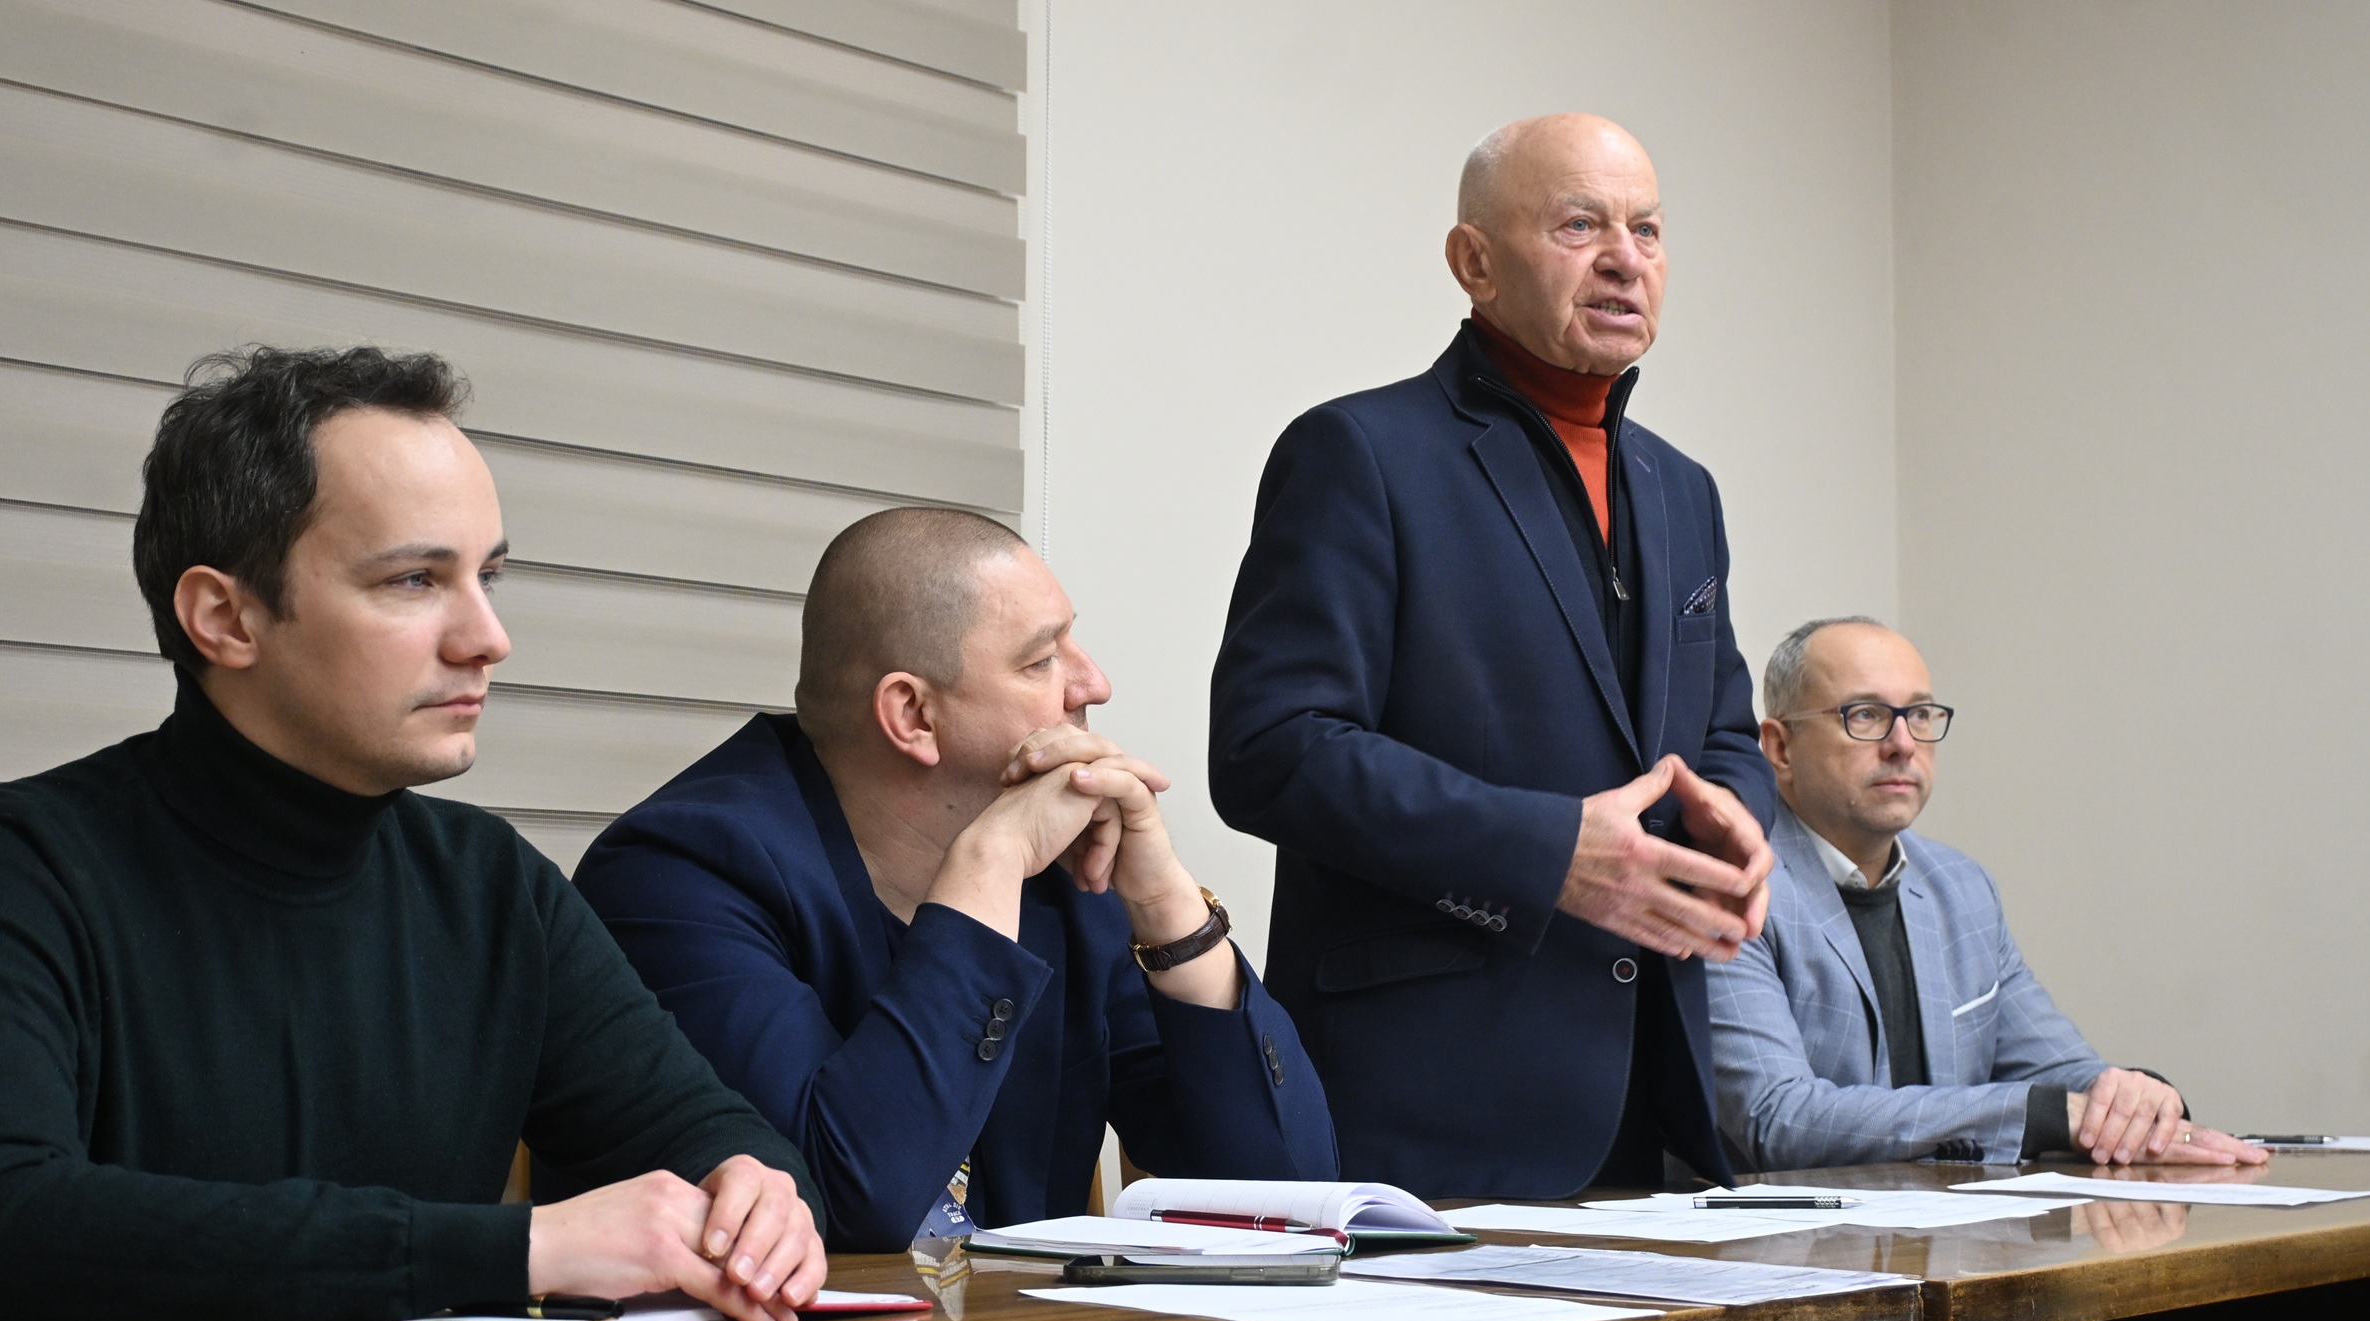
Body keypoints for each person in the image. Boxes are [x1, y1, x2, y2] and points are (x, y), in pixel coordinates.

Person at [0, 346, 827, 1321]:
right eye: (414, 579)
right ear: (225, 617)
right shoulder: (7, 867)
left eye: (489, 577)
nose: (489, 637)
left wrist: (755, 1194)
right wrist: (519, 1250)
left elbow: (708, 1134)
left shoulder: (494, 887)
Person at [1210, 114, 1774, 1197]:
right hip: (1429, 1112)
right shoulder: (1359, 452)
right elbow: (1270, 749)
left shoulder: (1682, 487)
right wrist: (1544, 850)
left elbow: (1721, 733)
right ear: (1474, 263)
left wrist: (1738, 820)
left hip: (1655, 1102)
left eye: (1648, 230)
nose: (1625, 259)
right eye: (1580, 225)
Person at [573, 508, 1338, 1252]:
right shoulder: (676, 876)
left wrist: (1168, 906)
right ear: (912, 714)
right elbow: (849, 1202)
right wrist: (987, 865)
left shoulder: (1068, 879)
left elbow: (1289, 1196)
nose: (1094, 683)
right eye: (1041, 660)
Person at [1706, 616, 2265, 1171]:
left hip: (1956, 1225)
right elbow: (1778, 1119)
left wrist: (2136, 1101)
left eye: (1920, 715)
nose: (1903, 744)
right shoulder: (1729, 884)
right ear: (1780, 748)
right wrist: (2040, 1115)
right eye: (1867, 715)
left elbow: (2060, 1074)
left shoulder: (1961, 887)